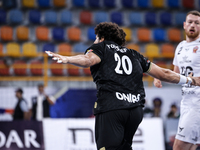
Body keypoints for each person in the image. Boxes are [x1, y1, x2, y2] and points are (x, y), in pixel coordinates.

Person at [46, 22, 200, 150]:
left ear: (102, 38)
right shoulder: (135, 54)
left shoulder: (102, 47)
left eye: (96, 38)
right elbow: (164, 74)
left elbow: (87, 60)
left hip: (112, 107)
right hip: (135, 111)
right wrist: (190, 80)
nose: (94, 41)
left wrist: (67, 59)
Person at [154, 10, 200, 150]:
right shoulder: (180, 47)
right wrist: (160, 77)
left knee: (178, 147)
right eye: (190, 22)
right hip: (186, 102)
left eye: (197, 23)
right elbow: (176, 75)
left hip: (197, 103)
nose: (193, 25)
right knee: (191, 146)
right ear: (184, 25)